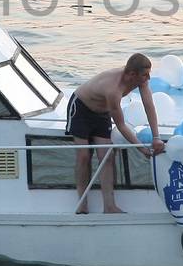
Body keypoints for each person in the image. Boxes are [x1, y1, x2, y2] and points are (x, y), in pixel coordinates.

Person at [69, 54, 165, 215]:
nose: (149, 77)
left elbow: (149, 105)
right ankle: (82, 204)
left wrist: (156, 137)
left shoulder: (141, 80)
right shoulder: (113, 89)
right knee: (84, 155)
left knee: (107, 156)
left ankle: (109, 206)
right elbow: (120, 125)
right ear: (132, 74)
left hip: (102, 111)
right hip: (81, 109)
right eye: (145, 74)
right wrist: (141, 149)